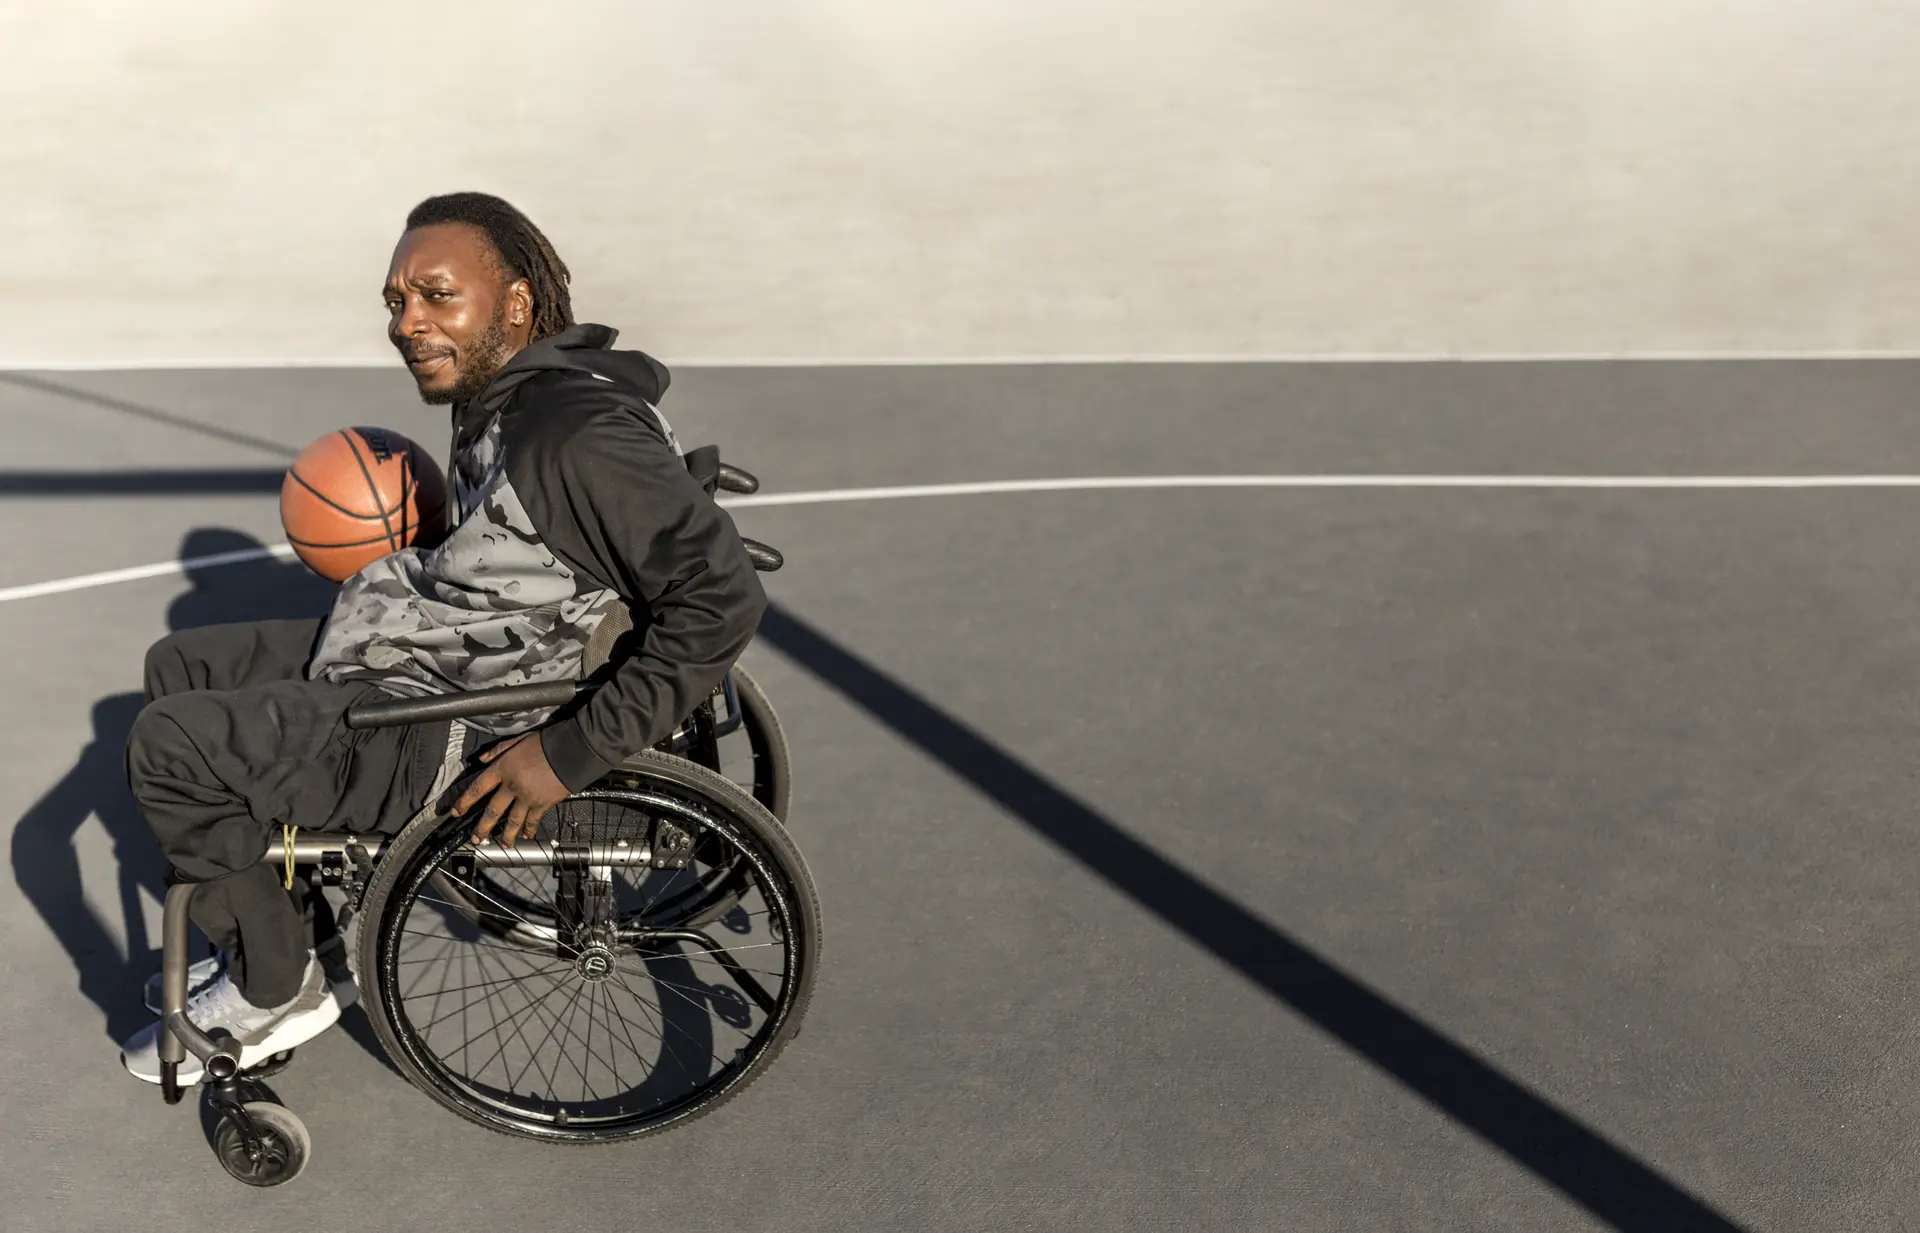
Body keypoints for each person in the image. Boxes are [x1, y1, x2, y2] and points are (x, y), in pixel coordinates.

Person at [118, 192, 767, 1082]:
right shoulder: (520, 396)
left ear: (517, 304)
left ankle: (275, 986)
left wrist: (568, 753)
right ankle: (289, 931)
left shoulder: (575, 433)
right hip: (445, 646)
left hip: (459, 721)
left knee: (170, 747)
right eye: (397, 301)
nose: (407, 322)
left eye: (436, 295)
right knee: (181, 664)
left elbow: (720, 598)